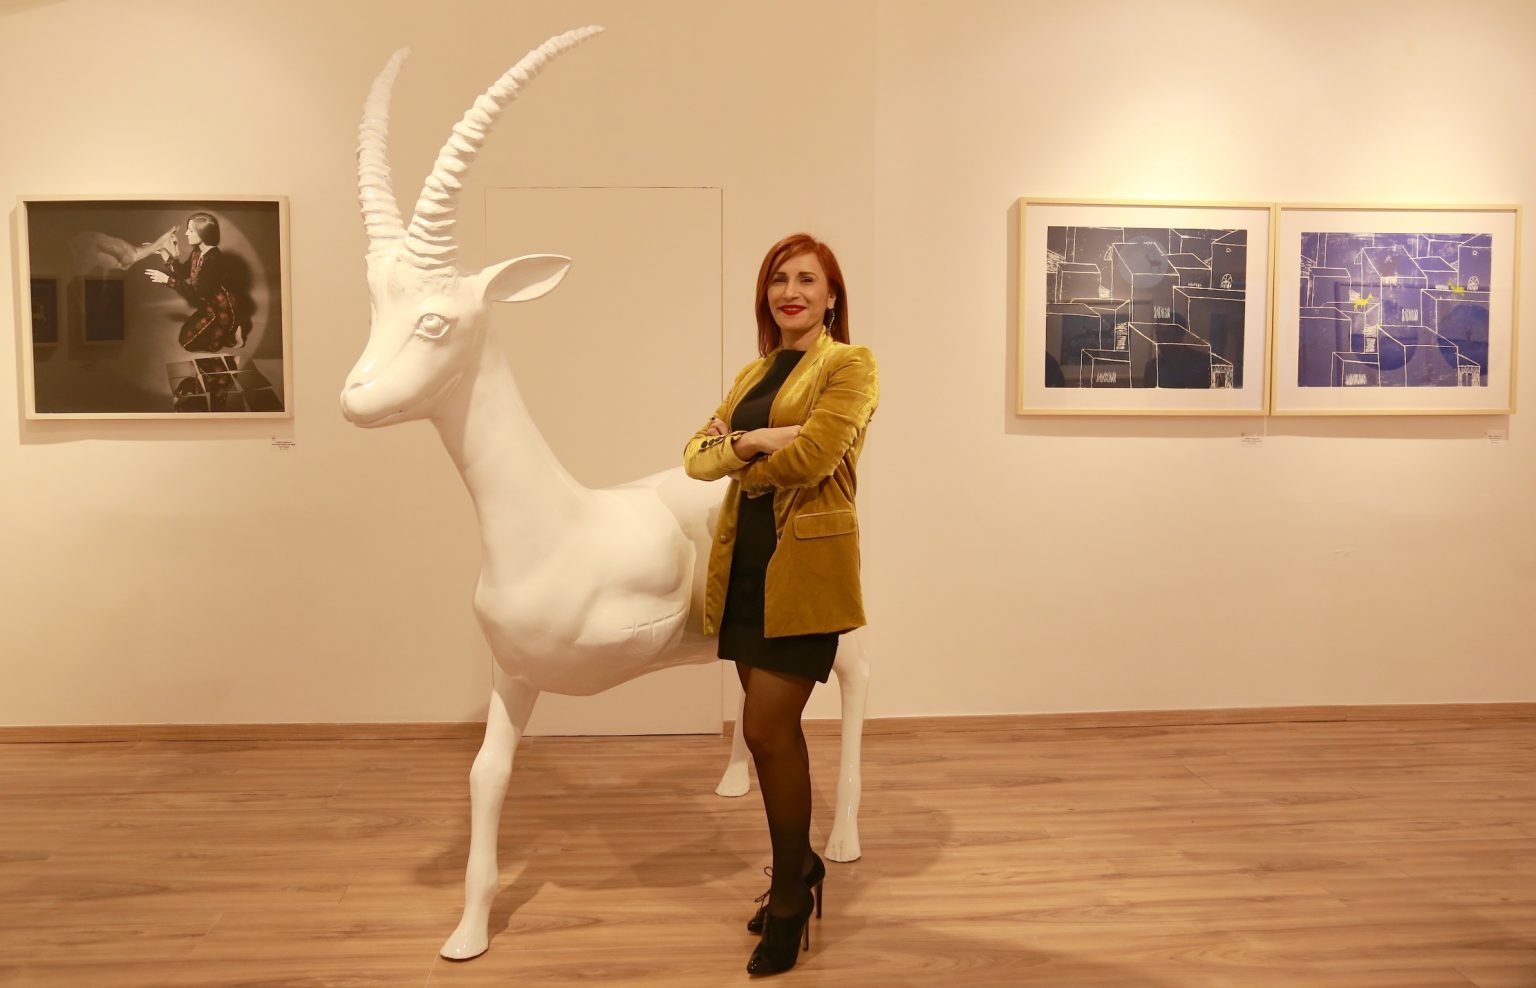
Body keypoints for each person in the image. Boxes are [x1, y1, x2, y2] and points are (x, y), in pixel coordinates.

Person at [683, 233, 878, 976]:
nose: (789, 292)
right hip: (747, 567)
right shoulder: (754, 372)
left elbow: (817, 456)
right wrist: (759, 439)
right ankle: (798, 867)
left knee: (765, 729)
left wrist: (743, 454)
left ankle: (792, 896)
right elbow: (695, 458)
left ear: (831, 296)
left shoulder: (850, 365)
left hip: (807, 570)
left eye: (806, 280)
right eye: (778, 280)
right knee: (773, 735)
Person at [144, 212, 245, 352]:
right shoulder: (197, 252)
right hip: (209, 306)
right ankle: (230, 328)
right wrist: (162, 251)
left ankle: (233, 327)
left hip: (222, 311)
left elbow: (196, 293)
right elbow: (182, 272)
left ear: (203, 234)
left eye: (190, 230)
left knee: (192, 344)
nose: (186, 233)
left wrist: (167, 280)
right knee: (185, 337)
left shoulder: (214, 260)